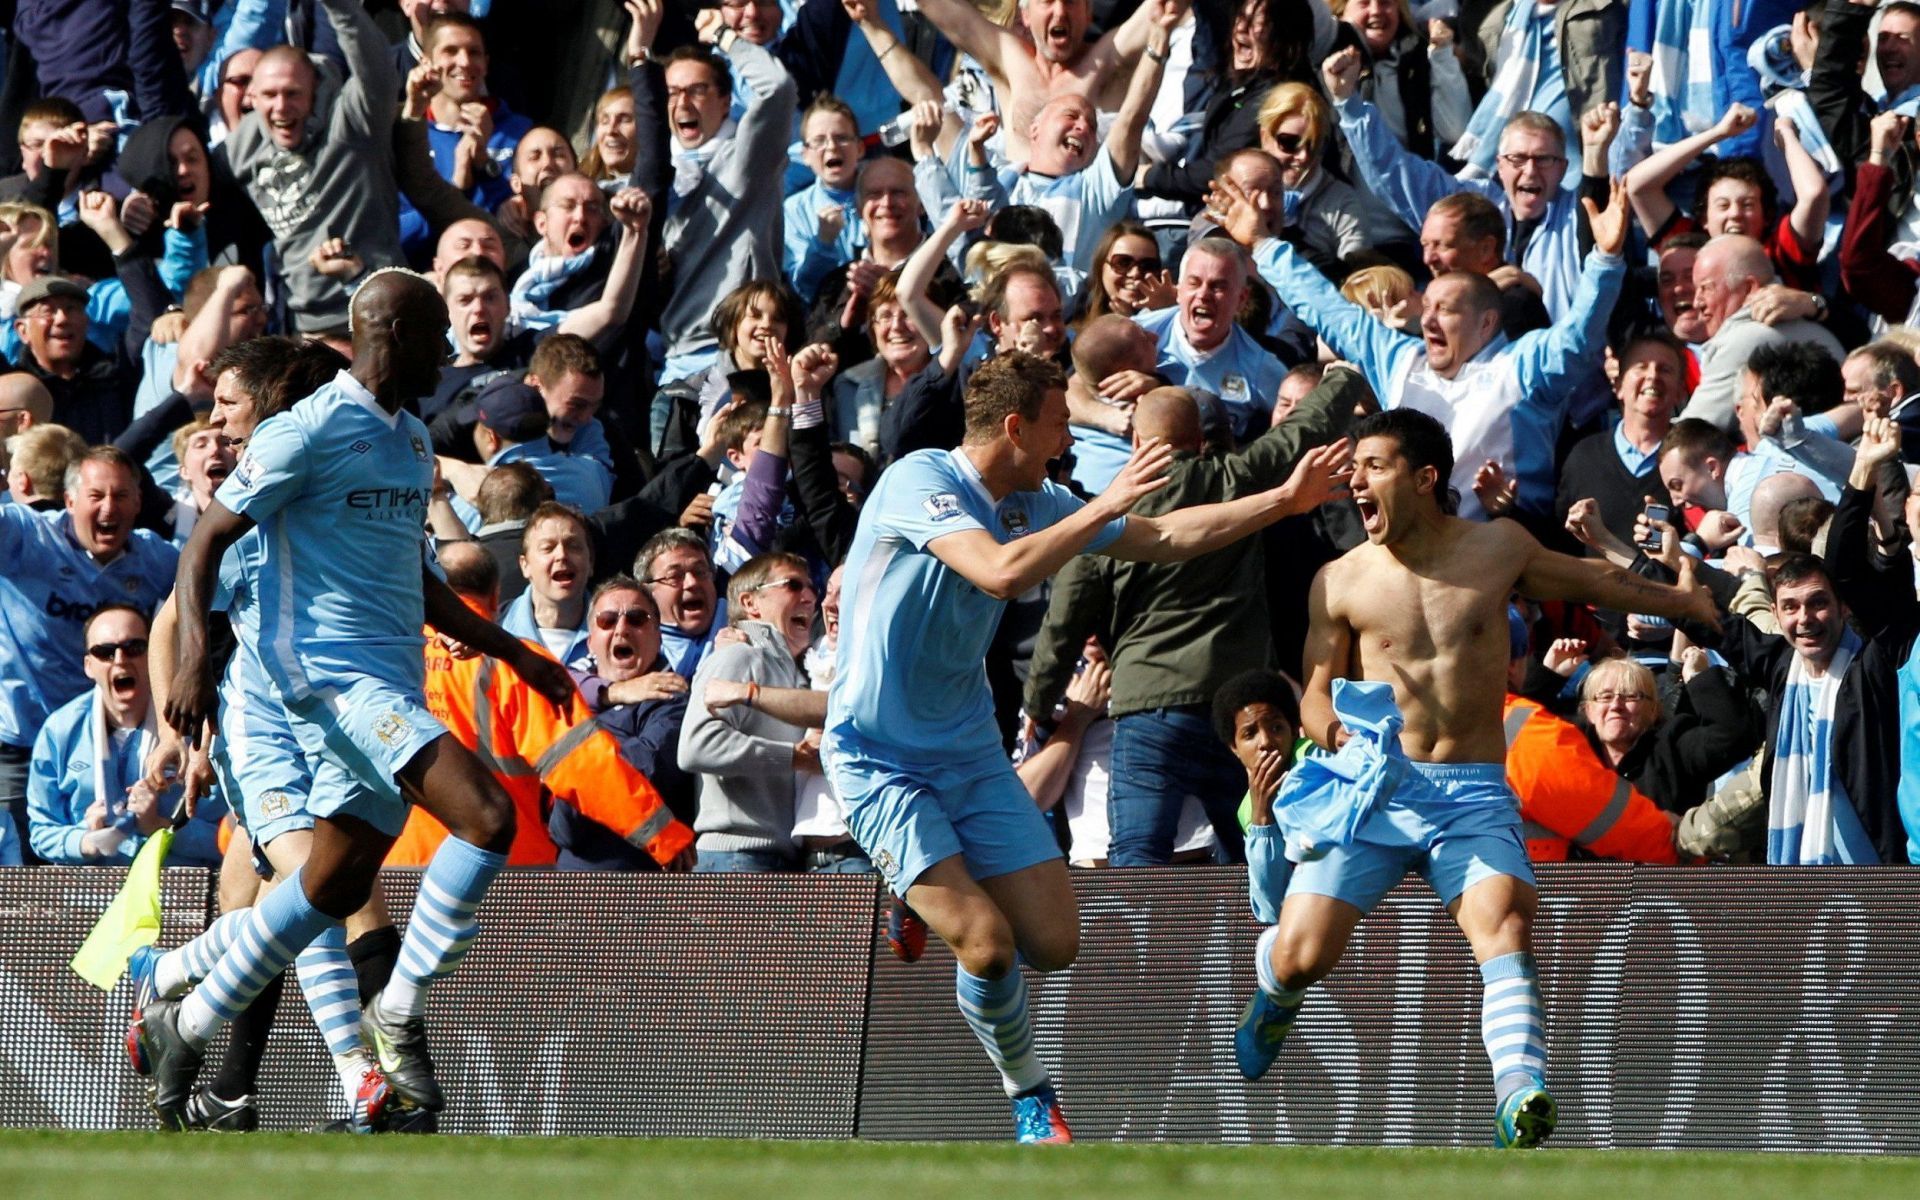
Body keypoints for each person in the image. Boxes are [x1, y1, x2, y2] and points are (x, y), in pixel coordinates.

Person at [824, 349, 1369, 1142]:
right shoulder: (920, 481)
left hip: (969, 752)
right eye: (1057, 425)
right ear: (1015, 428)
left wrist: (1281, 500)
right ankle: (1031, 1097)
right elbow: (1002, 575)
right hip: (877, 755)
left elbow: (1171, 537)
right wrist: (1094, 507)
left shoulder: (1037, 498)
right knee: (986, 946)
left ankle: (917, 884)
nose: (1067, 442)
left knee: (1054, 944)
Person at [133, 270, 576, 1129]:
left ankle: (182, 1020)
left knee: (330, 886)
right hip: (327, 678)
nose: (450, 347)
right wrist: (190, 670)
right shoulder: (306, 431)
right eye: (436, 329)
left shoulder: (410, 438)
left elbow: (415, 580)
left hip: (388, 676)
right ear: (390, 333)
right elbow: (205, 545)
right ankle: (395, 1017)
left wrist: (513, 649)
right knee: (486, 817)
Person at [1231, 407, 1717, 1149]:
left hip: (1472, 792)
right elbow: (1315, 692)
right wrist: (1340, 733)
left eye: (1373, 466)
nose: (1355, 480)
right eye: (1354, 468)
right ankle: (1274, 987)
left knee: (1505, 924)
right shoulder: (1339, 580)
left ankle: (1520, 1094)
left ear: (1425, 479)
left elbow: (1590, 578)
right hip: (1374, 786)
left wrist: (1681, 600)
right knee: (1303, 956)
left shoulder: (1499, 548)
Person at [1024, 372, 1365, 867]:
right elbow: (1303, 428)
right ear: (1200, 442)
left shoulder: (1105, 516)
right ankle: (1255, 944)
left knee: (1138, 859)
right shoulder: (1235, 479)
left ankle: (1137, 948)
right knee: (1253, 847)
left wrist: (1039, 702)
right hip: (1239, 710)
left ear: (1137, 441)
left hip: (1147, 709)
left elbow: (1063, 622)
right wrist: (1343, 379)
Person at [0, 446, 178, 865]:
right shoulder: (27, 537)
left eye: (120, 496)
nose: (108, 508)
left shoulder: (157, 561)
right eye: (96, 496)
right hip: (20, 737)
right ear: (70, 500)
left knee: (107, 848)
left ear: (138, 502)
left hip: (104, 735)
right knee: (19, 866)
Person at [27, 604, 225, 868]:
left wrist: (163, 827)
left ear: (155, 655)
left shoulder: (195, 729)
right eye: (105, 652)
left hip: (175, 891)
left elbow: (231, 840)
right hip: (86, 893)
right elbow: (41, 832)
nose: (120, 659)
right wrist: (85, 839)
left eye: (134, 648)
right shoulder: (60, 731)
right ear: (88, 665)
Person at [679, 552, 822, 872]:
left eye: (812, 589)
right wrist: (792, 756)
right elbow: (696, 746)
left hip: (773, 861)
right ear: (750, 602)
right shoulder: (738, 657)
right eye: (793, 585)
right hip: (736, 857)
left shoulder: (797, 674)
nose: (810, 597)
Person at [556, 575, 698, 870]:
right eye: (607, 620)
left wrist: (571, 770)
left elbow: (644, 767)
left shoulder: (673, 699)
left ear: (659, 636)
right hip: (567, 885)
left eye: (637, 618)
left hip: (641, 887)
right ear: (590, 641)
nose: (622, 628)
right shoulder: (564, 701)